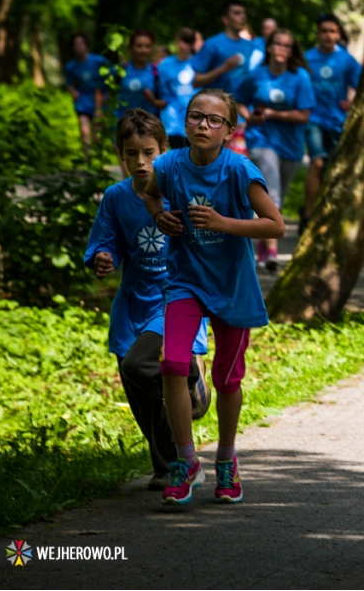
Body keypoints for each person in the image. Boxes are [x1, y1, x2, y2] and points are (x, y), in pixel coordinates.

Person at [143, 88, 286, 505]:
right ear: (184, 122)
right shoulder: (169, 165)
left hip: (232, 285)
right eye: (195, 117)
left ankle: (226, 459)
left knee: (226, 379)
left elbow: (275, 225)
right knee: (171, 362)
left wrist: (224, 222)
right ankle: (186, 463)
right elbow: (150, 192)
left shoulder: (239, 170)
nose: (202, 125)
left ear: (229, 130)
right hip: (185, 279)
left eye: (213, 120)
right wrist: (159, 215)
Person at [84, 110, 211, 490]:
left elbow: (206, 245)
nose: (141, 162)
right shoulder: (116, 197)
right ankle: (168, 466)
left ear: (165, 150)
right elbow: (105, 242)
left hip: (175, 299)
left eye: (149, 153)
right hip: (132, 306)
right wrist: (103, 257)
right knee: (135, 383)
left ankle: (190, 385)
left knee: (141, 366)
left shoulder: (180, 191)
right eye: (131, 153)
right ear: (121, 155)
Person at [237, 28, 314, 271]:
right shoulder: (256, 74)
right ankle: (271, 250)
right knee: (273, 193)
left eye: (287, 46)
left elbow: (304, 115)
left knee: (278, 190)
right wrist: (249, 117)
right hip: (261, 140)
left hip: (290, 145)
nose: (282, 49)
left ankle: (262, 243)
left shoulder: (300, 77)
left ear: (292, 52)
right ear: (269, 47)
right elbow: (239, 99)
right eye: (278, 44)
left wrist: (272, 113)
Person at [303, 14, 361, 231]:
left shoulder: (346, 59)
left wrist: (352, 100)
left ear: (338, 34)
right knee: (317, 163)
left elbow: (361, 85)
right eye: (324, 31)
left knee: (338, 168)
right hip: (314, 119)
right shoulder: (307, 58)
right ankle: (307, 215)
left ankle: (329, 215)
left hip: (338, 120)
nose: (328, 35)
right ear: (318, 33)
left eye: (332, 31)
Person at [191, 0, 255, 155]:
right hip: (214, 112)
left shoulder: (250, 46)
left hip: (239, 115)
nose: (242, 17)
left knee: (234, 163)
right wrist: (224, 68)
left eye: (244, 14)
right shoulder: (213, 44)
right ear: (225, 19)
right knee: (212, 160)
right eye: (237, 13)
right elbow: (196, 81)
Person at [63, 32, 109, 159]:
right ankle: (87, 159)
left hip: (98, 99)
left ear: (87, 45)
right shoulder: (70, 66)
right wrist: (73, 91)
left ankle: (100, 161)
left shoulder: (99, 61)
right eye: (76, 44)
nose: (79, 47)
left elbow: (111, 74)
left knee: (96, 133)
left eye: (81, 44)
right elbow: (68, 83)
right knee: (84, 130)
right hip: (82, 100)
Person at [157, 28, 199, 149]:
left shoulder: (199, 63)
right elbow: (160, 88)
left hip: (194, 116)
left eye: (186, 42)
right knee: (178, 152)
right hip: (173, 117)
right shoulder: (166, 64)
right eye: (180, 41)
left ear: (192, 44)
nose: (182, 45)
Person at [116, 30, 160, 117]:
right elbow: (101, 91)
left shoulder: (157, 72)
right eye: (139, 46)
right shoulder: (120, 70)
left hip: (148, 126)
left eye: (147, 46)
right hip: (121, 125)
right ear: (131, 48)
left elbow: (167, 101)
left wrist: (153, 101)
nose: (143, 50)